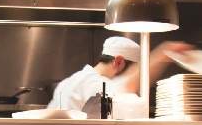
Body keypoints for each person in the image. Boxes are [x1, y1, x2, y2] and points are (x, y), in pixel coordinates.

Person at [49, 36, 189, 111]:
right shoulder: (97, 85)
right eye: (133, 68)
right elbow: (127, 86)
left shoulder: (70, 81)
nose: (133, 73)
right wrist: (164, 52)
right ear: (118, 61)